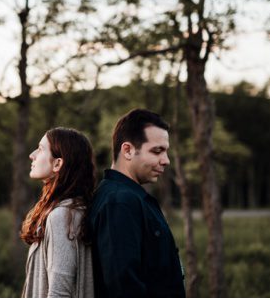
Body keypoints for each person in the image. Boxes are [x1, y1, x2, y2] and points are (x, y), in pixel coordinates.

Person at [86, 108, 186, 297]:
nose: (166, 161)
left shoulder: (125, 196)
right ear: (128, 150)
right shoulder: (119, 202)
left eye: (166, 151)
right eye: (157, 151)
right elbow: (123, 288)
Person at [20, 127, 96, 298]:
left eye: (40, 149)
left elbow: (59, 294)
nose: (32, 155)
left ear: (57, 164)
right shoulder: (72, 210)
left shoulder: (62, 216)